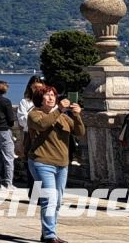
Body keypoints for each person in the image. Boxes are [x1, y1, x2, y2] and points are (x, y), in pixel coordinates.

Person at [26, 88, 84, 243]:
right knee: (50, 199)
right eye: (47, 95)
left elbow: (79, 131)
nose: (51, 97)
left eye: (53, 95)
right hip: (41, 161)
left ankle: (48, 232)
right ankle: (50, 235)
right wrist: (59, 109)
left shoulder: (63, 117)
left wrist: (77, 115)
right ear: (40, 98)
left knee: (57, 201)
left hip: (62, 163)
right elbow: (43, 124)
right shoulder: (34, 114)